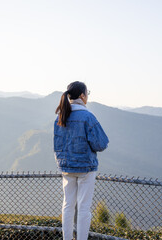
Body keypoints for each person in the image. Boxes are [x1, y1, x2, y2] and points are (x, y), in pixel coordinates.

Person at [54, 81, 109, 240]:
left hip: (66, 168)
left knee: (68, 206)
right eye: (87, 93)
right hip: (86, 168)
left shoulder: (60, 116)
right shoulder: (88, 116)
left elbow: (57, 144)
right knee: (84, 208)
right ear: (82, 96)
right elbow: (101, 144)